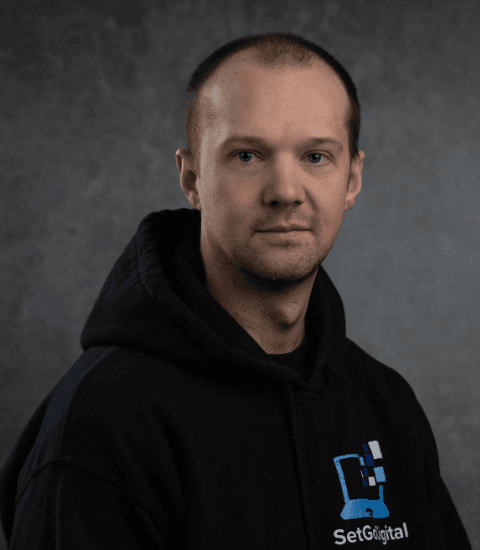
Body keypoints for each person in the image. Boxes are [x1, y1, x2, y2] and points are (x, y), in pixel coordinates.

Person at [0, 32, 472, 549]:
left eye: (316, 156)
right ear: (192, 178)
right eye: (247, 156)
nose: (285, 191)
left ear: (352, 179)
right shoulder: (103, 422)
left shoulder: (385, 404)